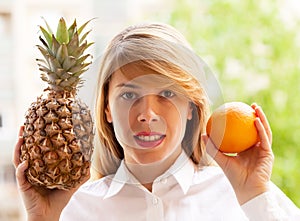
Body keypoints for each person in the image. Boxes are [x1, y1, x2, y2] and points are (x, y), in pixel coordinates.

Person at [13, 22, 300, 221]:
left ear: (190, 107)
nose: (147, 113)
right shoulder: (75, 208)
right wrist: (43, 218)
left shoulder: (244, 197)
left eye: (166, 93)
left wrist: (254, 193)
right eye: (128, 95)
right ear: (107, 110)